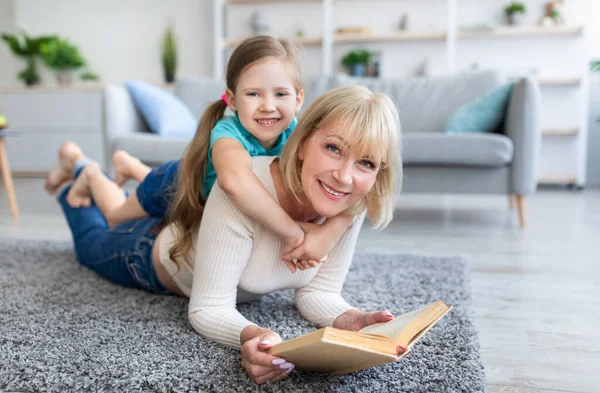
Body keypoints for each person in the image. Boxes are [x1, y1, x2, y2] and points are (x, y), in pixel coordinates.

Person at [49, 85, 402, 384]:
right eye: (334, 148)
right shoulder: (247, 190)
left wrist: (349, 318)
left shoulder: (348, 204)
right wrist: (252, 335)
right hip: (148, 255)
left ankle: (111, 172)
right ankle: (84, 170)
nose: (344, 176)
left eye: (366, 163)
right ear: (305, 139)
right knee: (92, 239)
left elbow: (318, 291)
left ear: (378, 170)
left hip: (197, 223)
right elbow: (207, 307)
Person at [44, 35, 352, 272]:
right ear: (231, 100)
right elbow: (234, 182)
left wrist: (333, 229)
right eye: (254, 94)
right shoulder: (227, 133)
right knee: (114, 218)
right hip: (171, 185)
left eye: (280, 94)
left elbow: (358, 180)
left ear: (299, 99)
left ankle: (130, 166)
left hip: (194, 184)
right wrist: (293, 233)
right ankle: (85, 169)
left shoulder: (299, 134)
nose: (268, 105)